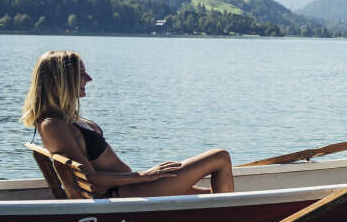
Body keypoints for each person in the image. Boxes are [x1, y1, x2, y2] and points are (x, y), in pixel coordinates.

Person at [21, 50, 235, 198]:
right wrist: (144, 176)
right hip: (125, 193)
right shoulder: (53, 125)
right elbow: (91, 178)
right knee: (220, 157)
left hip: (134, 185)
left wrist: (144, 177)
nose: (89, 78)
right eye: (81, 74)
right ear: (61, 80)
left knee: (212, 195)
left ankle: (226, 216)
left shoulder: (66, 119)